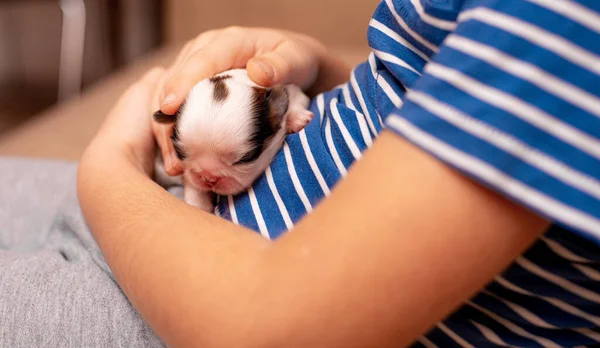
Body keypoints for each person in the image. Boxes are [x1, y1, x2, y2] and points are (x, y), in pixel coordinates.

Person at [2, 0, 599, 346]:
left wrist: (107, 170)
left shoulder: (559, 20)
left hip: (192, 306)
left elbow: (267, 332)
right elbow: (424, 104)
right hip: (164, 231)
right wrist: (321, 71)